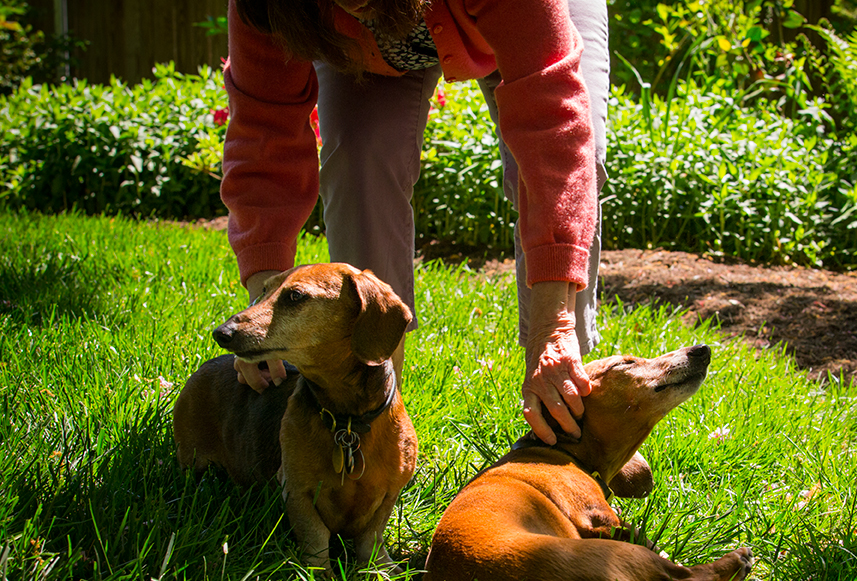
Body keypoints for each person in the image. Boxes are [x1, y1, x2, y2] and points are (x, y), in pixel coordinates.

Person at [221, 0, 609, 445]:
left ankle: (565, 416)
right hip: (369, 55)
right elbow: (264, 131)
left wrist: (552, 327)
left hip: (531, 16)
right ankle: (372, 428)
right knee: (359, 159)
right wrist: (264, 300)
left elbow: (552, 130)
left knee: (576, 160)